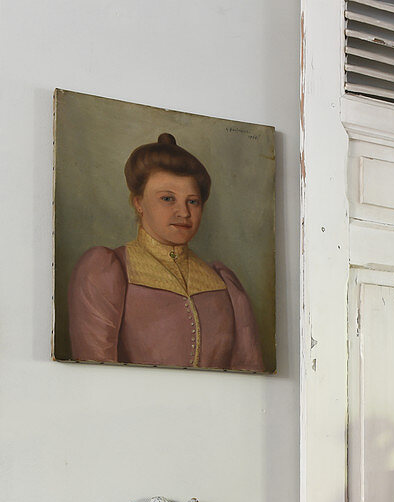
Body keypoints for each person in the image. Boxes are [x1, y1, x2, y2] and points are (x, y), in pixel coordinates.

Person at [68, 133, 265, 372]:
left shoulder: (224, 282)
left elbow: (248, 376)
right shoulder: (106, 269)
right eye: (167, 198)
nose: (183, 212)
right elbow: (95, 376)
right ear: (138, 202)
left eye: (193, 201)